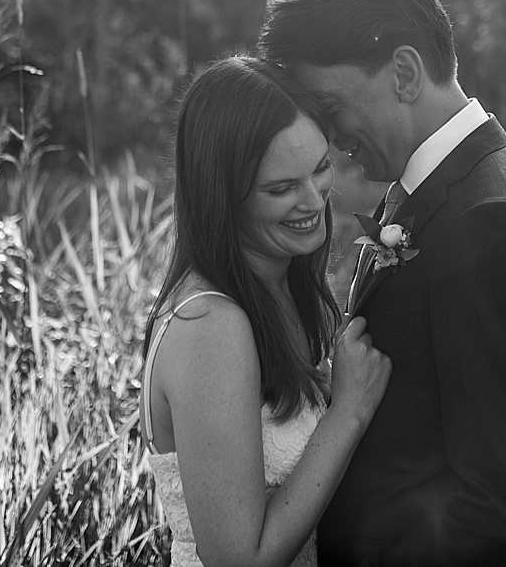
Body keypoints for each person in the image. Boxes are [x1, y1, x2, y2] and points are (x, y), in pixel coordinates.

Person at [258, 0, 506, 567]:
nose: (329, 137)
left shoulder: (494, 225)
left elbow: (504, 513)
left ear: (404, 74)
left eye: (331, 108)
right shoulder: (443, 189)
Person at [142, 56, 393, 567]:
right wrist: (348, 410)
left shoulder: (281, 290)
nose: (313, 199)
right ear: (223, 196)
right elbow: (239, 559)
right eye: (281, 188)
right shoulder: (210, 326)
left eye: (320, 167)